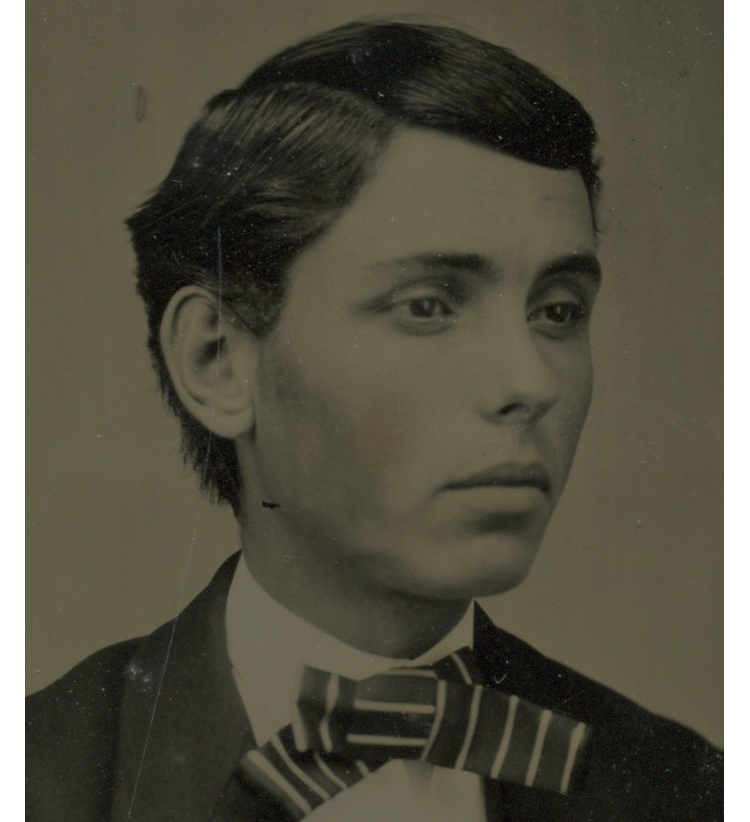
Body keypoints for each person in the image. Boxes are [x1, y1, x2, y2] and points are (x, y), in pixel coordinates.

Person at [26, 19, 722, 822]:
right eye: (427, 306)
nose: (531, 382)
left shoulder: (680, 787)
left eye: (558, 311)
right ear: (217, 359)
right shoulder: (43, 779)